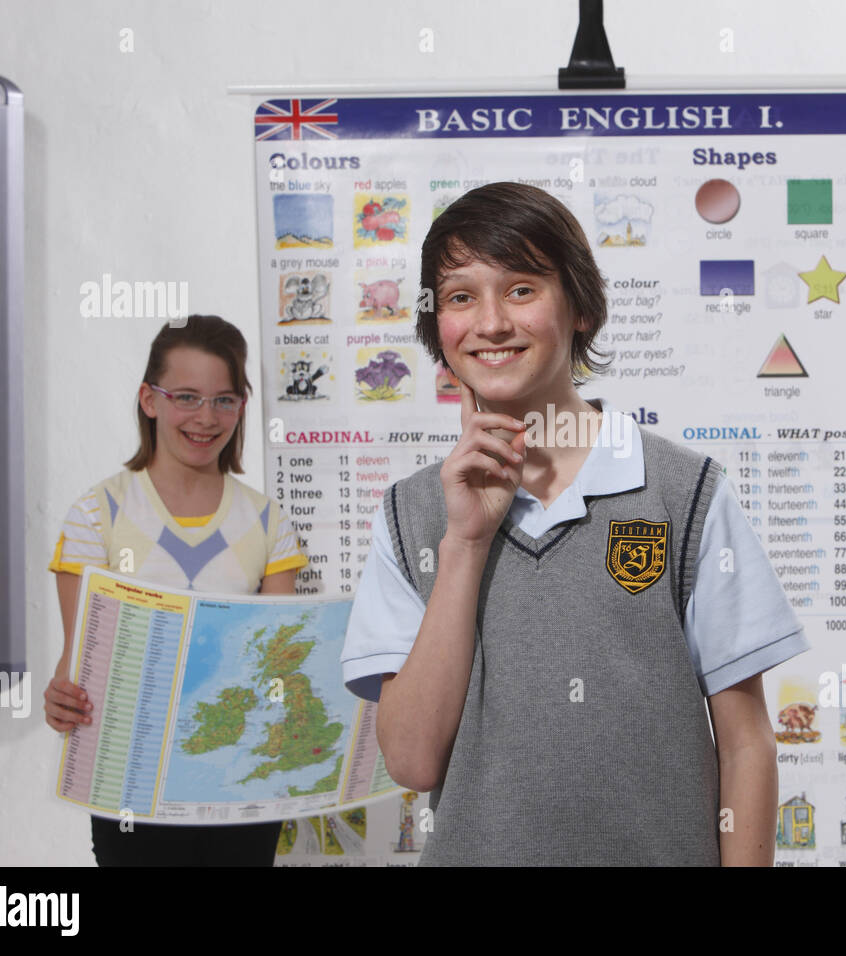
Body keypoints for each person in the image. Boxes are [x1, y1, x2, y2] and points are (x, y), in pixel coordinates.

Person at [340, 182, 810, 866]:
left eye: (522, 289)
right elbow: (412, 761)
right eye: (461, 296)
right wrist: (466, 543)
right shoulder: (411, 512)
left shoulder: (685, 492)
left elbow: (746, 743)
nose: (491, 323)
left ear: (581, 307)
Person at [44, 314, 308, 866]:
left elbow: (278, 668)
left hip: (239, 787)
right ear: (149, 399)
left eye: (225, 400)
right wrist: (63, 698)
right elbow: (78, 667)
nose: (206, 418)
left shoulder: (268, 521)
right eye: (186, 396)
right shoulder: (97, 515)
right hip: (130, 788)